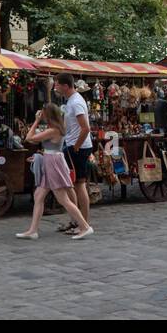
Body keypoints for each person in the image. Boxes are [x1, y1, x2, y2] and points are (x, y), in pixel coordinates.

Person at [17, 103, 93, 240]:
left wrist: (36, 121)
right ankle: (33, 230)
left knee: (62, 199)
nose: (42, 115)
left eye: (44, 113)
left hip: (53, 163)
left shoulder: (54, 130)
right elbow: (35, 140)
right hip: (50, 161)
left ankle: (85, 226)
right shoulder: (54, 128)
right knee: (38, 196)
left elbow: (29, 138)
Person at [56, 75, 93, 236]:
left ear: (65, 85)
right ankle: (77, 221)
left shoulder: (76, 102)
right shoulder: (71, 101)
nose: (55, 87)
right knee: (72, 184)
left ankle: (83, 223)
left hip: (77, 147)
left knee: (79, 184)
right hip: (71, 146)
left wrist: (76, 147)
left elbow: (85, 128)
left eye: (57, 85)